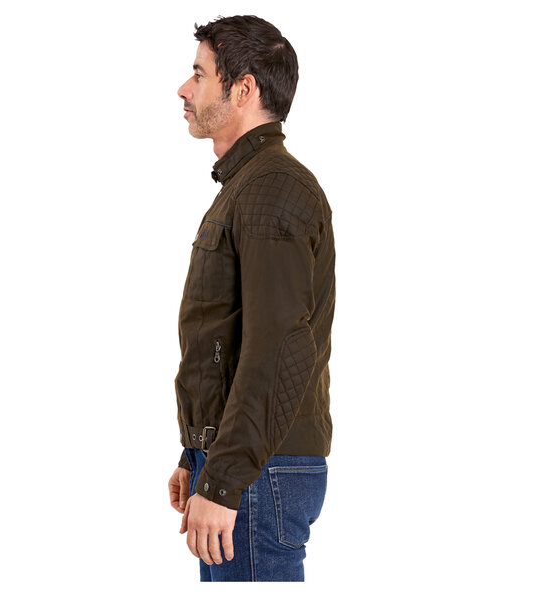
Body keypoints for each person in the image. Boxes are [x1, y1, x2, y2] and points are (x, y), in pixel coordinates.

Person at [167, 15, 336, 582]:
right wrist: (198, 452)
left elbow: (276, 347)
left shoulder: (272, 188)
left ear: (243, 89)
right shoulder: (248, 187)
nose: (184, 89)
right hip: (245, 464)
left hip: (260, 470)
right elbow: (229, 339)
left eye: (199, 74)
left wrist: (224, 477)